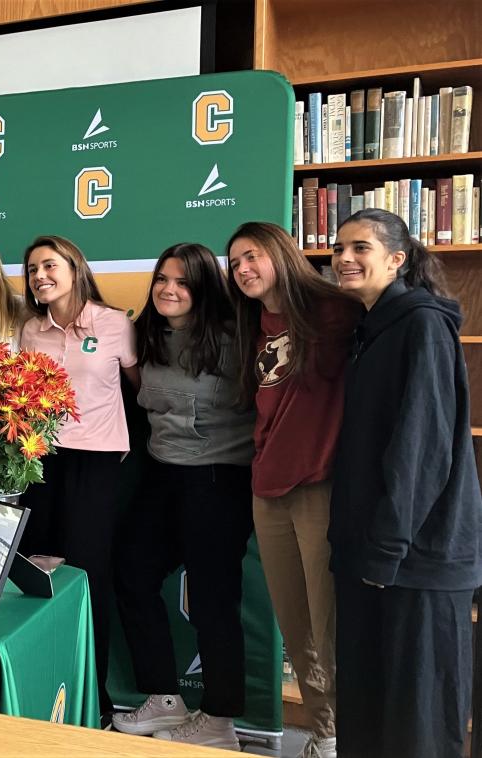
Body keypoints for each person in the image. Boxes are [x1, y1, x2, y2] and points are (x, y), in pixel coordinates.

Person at [328, 209, 482, 758]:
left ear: (396, 259)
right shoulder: (368, 330)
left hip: (415, 561)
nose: (345, 258)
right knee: (368, 709)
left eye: (361, 248)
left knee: (416, 721)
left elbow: (424, 447)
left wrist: (386, 552)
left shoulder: (421, 325)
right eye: (340, 247)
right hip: (372, 557)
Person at [112, 243, 255, 750]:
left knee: (215, 600)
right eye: (162, 280)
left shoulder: (233, 337)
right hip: (162, 473)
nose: (169, 290)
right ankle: (164, 698)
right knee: (132, 571)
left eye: (183, 282)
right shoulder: (149, 334)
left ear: (203, 288)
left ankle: (220, 720)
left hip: (218, 479)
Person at [226, 221, 361, 758]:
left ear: (281, 253)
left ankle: (348, 734)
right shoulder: (256, 321)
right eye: (235, 262)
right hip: (268, 488)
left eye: (252, 256)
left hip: (320, 486)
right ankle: (324, 735)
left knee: (328, 623)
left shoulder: (334, 308)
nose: (243, 270)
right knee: (295, 623)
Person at [17, 234, 138, 722]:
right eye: (31, 270)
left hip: (98, 462)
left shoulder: (113, 324)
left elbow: (139, 389)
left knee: (88, 578)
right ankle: (46, 688)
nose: (40, 277)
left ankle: (97, 702)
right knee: (40, 573)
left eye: (49, 266)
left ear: (74, 267)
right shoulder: (30, 330)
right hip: (41, 460)